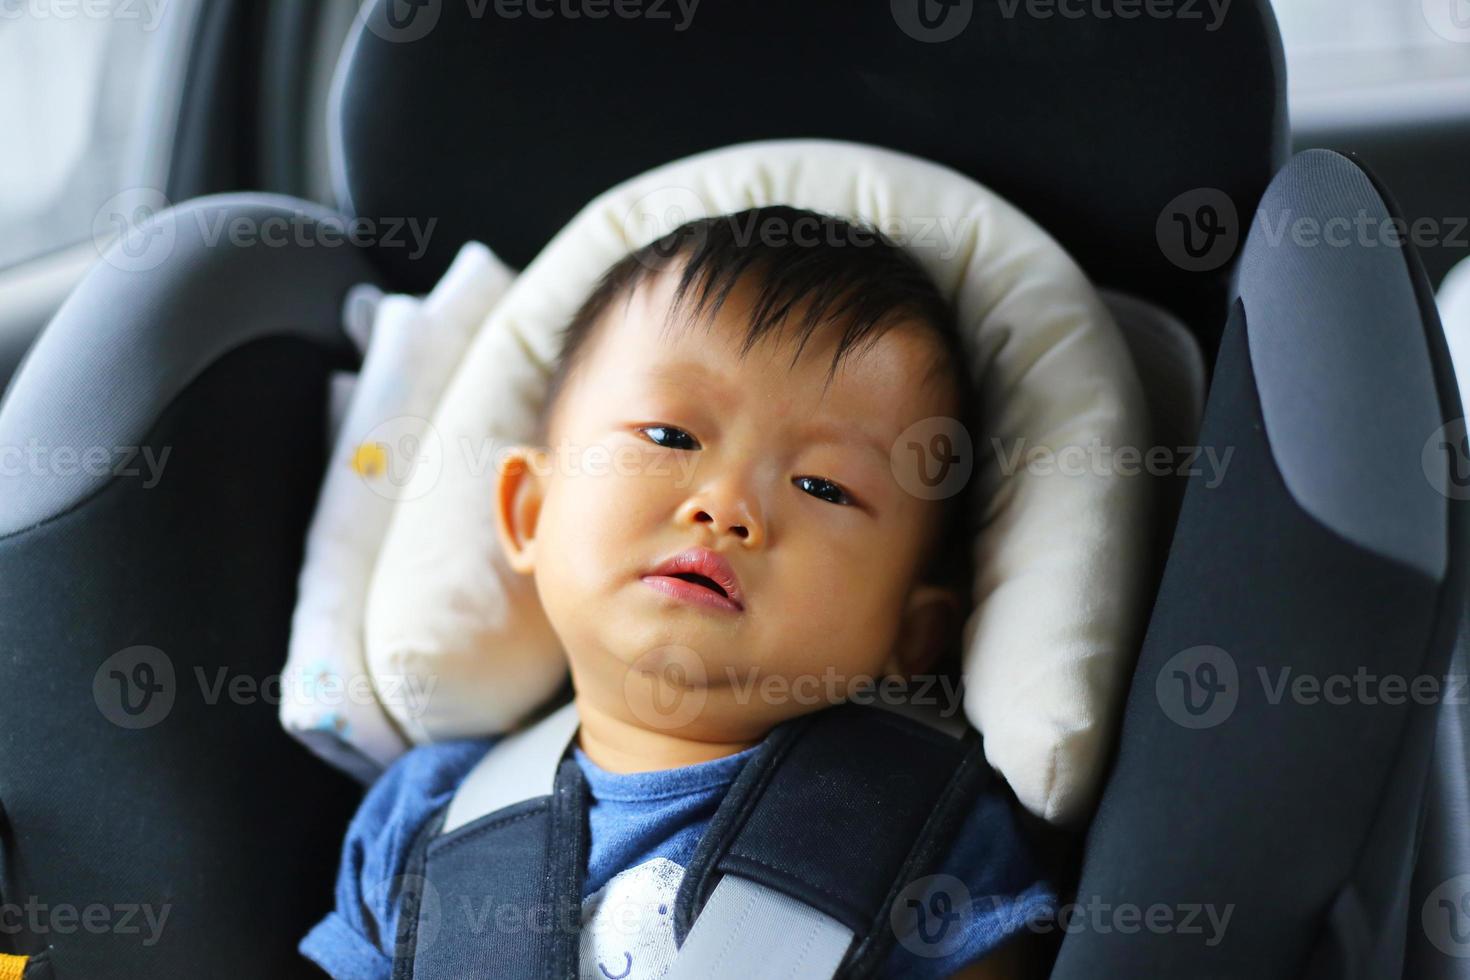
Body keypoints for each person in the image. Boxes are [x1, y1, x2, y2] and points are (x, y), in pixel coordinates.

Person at [301, 205, 1056, 979]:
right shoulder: (426, 817)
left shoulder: (929, 837)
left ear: (912, 631)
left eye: (823, 485)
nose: (728, 506)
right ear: (531, 511)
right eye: (670, 437)